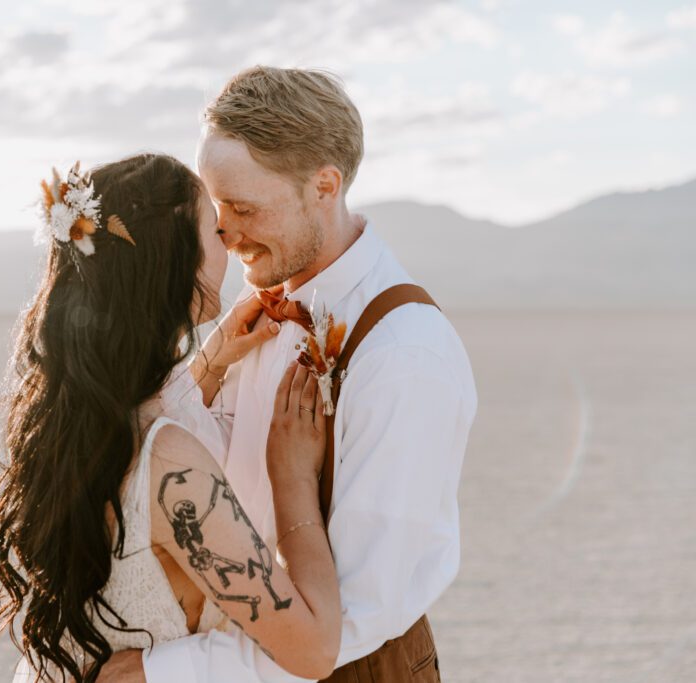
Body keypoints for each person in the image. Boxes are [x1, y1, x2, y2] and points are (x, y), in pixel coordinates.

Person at [97, 66, 478, 682]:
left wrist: (158, 672)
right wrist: (208, 366)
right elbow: (166, 469)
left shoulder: (406, 357)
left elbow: (360, 611)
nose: (224, 233)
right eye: (217, 209)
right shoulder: (252, 318)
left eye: (243, 208)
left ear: (323, 186)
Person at [0, 153, 346, 682]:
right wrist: (291, 477)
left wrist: (211, 364)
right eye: (216, 232)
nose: (233, 243)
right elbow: (314, 651)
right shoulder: (175, 471)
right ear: (175, 263)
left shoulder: (69, 416)